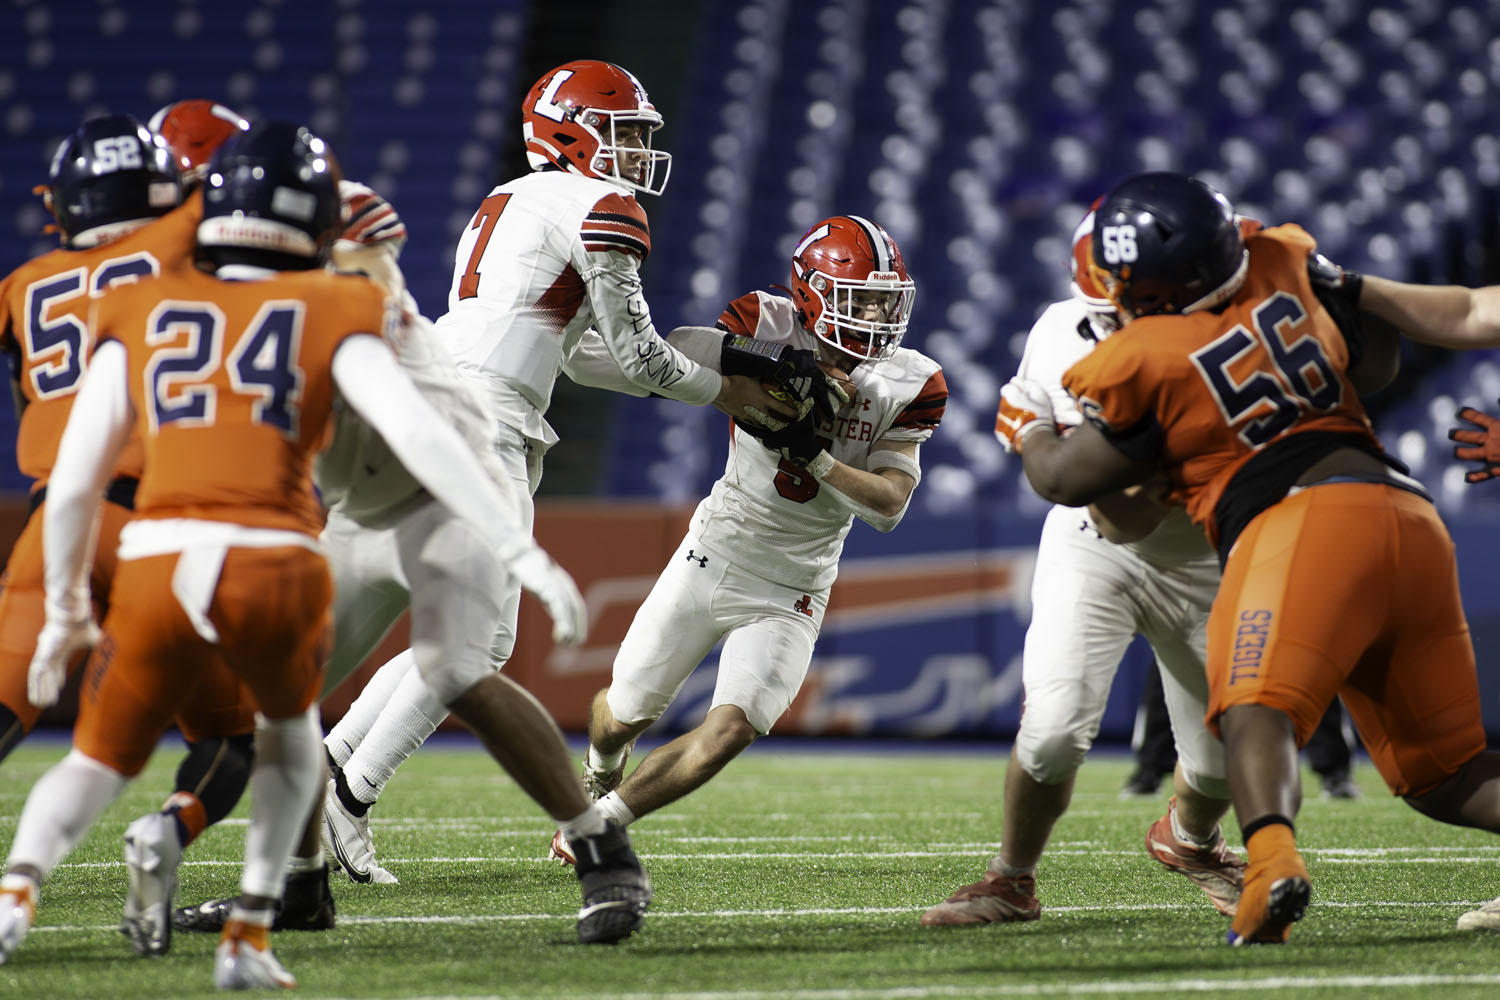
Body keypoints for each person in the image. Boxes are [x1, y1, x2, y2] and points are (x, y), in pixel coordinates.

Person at [0, 120, 585, 987]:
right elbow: (420, 432)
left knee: (85, 753)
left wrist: (63, 609)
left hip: (120, 539)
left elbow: (81, 468)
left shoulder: (69, 291)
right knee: (273, 733)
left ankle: (17, 895)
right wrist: (517, 546)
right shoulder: (318, 295)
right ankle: (247, 929)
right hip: (261, 548)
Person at [294, 59, 817, 885]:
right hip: (481, 419)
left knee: (443, 622)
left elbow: (579, 354)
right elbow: (641, 355)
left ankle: (329, 767)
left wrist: (712, 365)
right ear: (572, 128)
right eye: (625, 133)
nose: (639, 153)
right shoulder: (599, 204)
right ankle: (350, 794)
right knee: (480, 638)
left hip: (430, 398)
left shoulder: (514, 198)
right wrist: (728, 388)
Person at [996, 170, 1500, 945]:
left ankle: (1268, 864)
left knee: (1254, 711)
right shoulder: (1285, 271)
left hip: (1300, 523)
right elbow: (1386, 359)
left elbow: (1073, 481)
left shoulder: (1147, 356)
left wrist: (1027, 425)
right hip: (1406, 512)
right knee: (1448, 774)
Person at [540, 213, 944, 861]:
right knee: (621, 715)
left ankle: (599, 823)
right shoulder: (767, 321)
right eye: (859, 297)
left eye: (883, 300)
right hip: (714, 551)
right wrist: (782, 367)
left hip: (796, 585)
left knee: (729, 729)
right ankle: (602, 763)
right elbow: (688, 352)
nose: (875, 314)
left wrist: (817, 458)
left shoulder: (912, 381)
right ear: (813, 292)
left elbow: (890, 505)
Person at [922, 205, 1244, 927]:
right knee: (1054, 731)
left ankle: (1190, 841)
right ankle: (1011, 878)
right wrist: (1036, 426)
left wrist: (1035, 435)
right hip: (1092, 553)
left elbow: (1117, 507)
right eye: (1114, 309)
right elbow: (1077, 483)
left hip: (1204, 558)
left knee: (1230, 758)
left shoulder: (1223, 352)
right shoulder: (1062, 327)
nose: (1126, 324)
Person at [1125, 674, 1363, 801]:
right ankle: (1150, 767)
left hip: (1272, 583)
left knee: (1307, 651)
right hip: (1210, 584)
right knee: (1172, 656)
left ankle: (1334, 769)